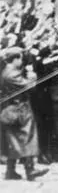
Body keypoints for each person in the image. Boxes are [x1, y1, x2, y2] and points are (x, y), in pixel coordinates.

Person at [0, 47, 48, 181]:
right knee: (28, 137)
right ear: (15, 59)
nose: (22, 61)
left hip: (10, 109)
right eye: (20, 58)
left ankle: (10, 171)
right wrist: (32, 75)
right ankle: (30, 169)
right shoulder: (12, 74)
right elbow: (29, 86)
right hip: (20, 109)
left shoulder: (6, 71)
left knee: (12, 140)